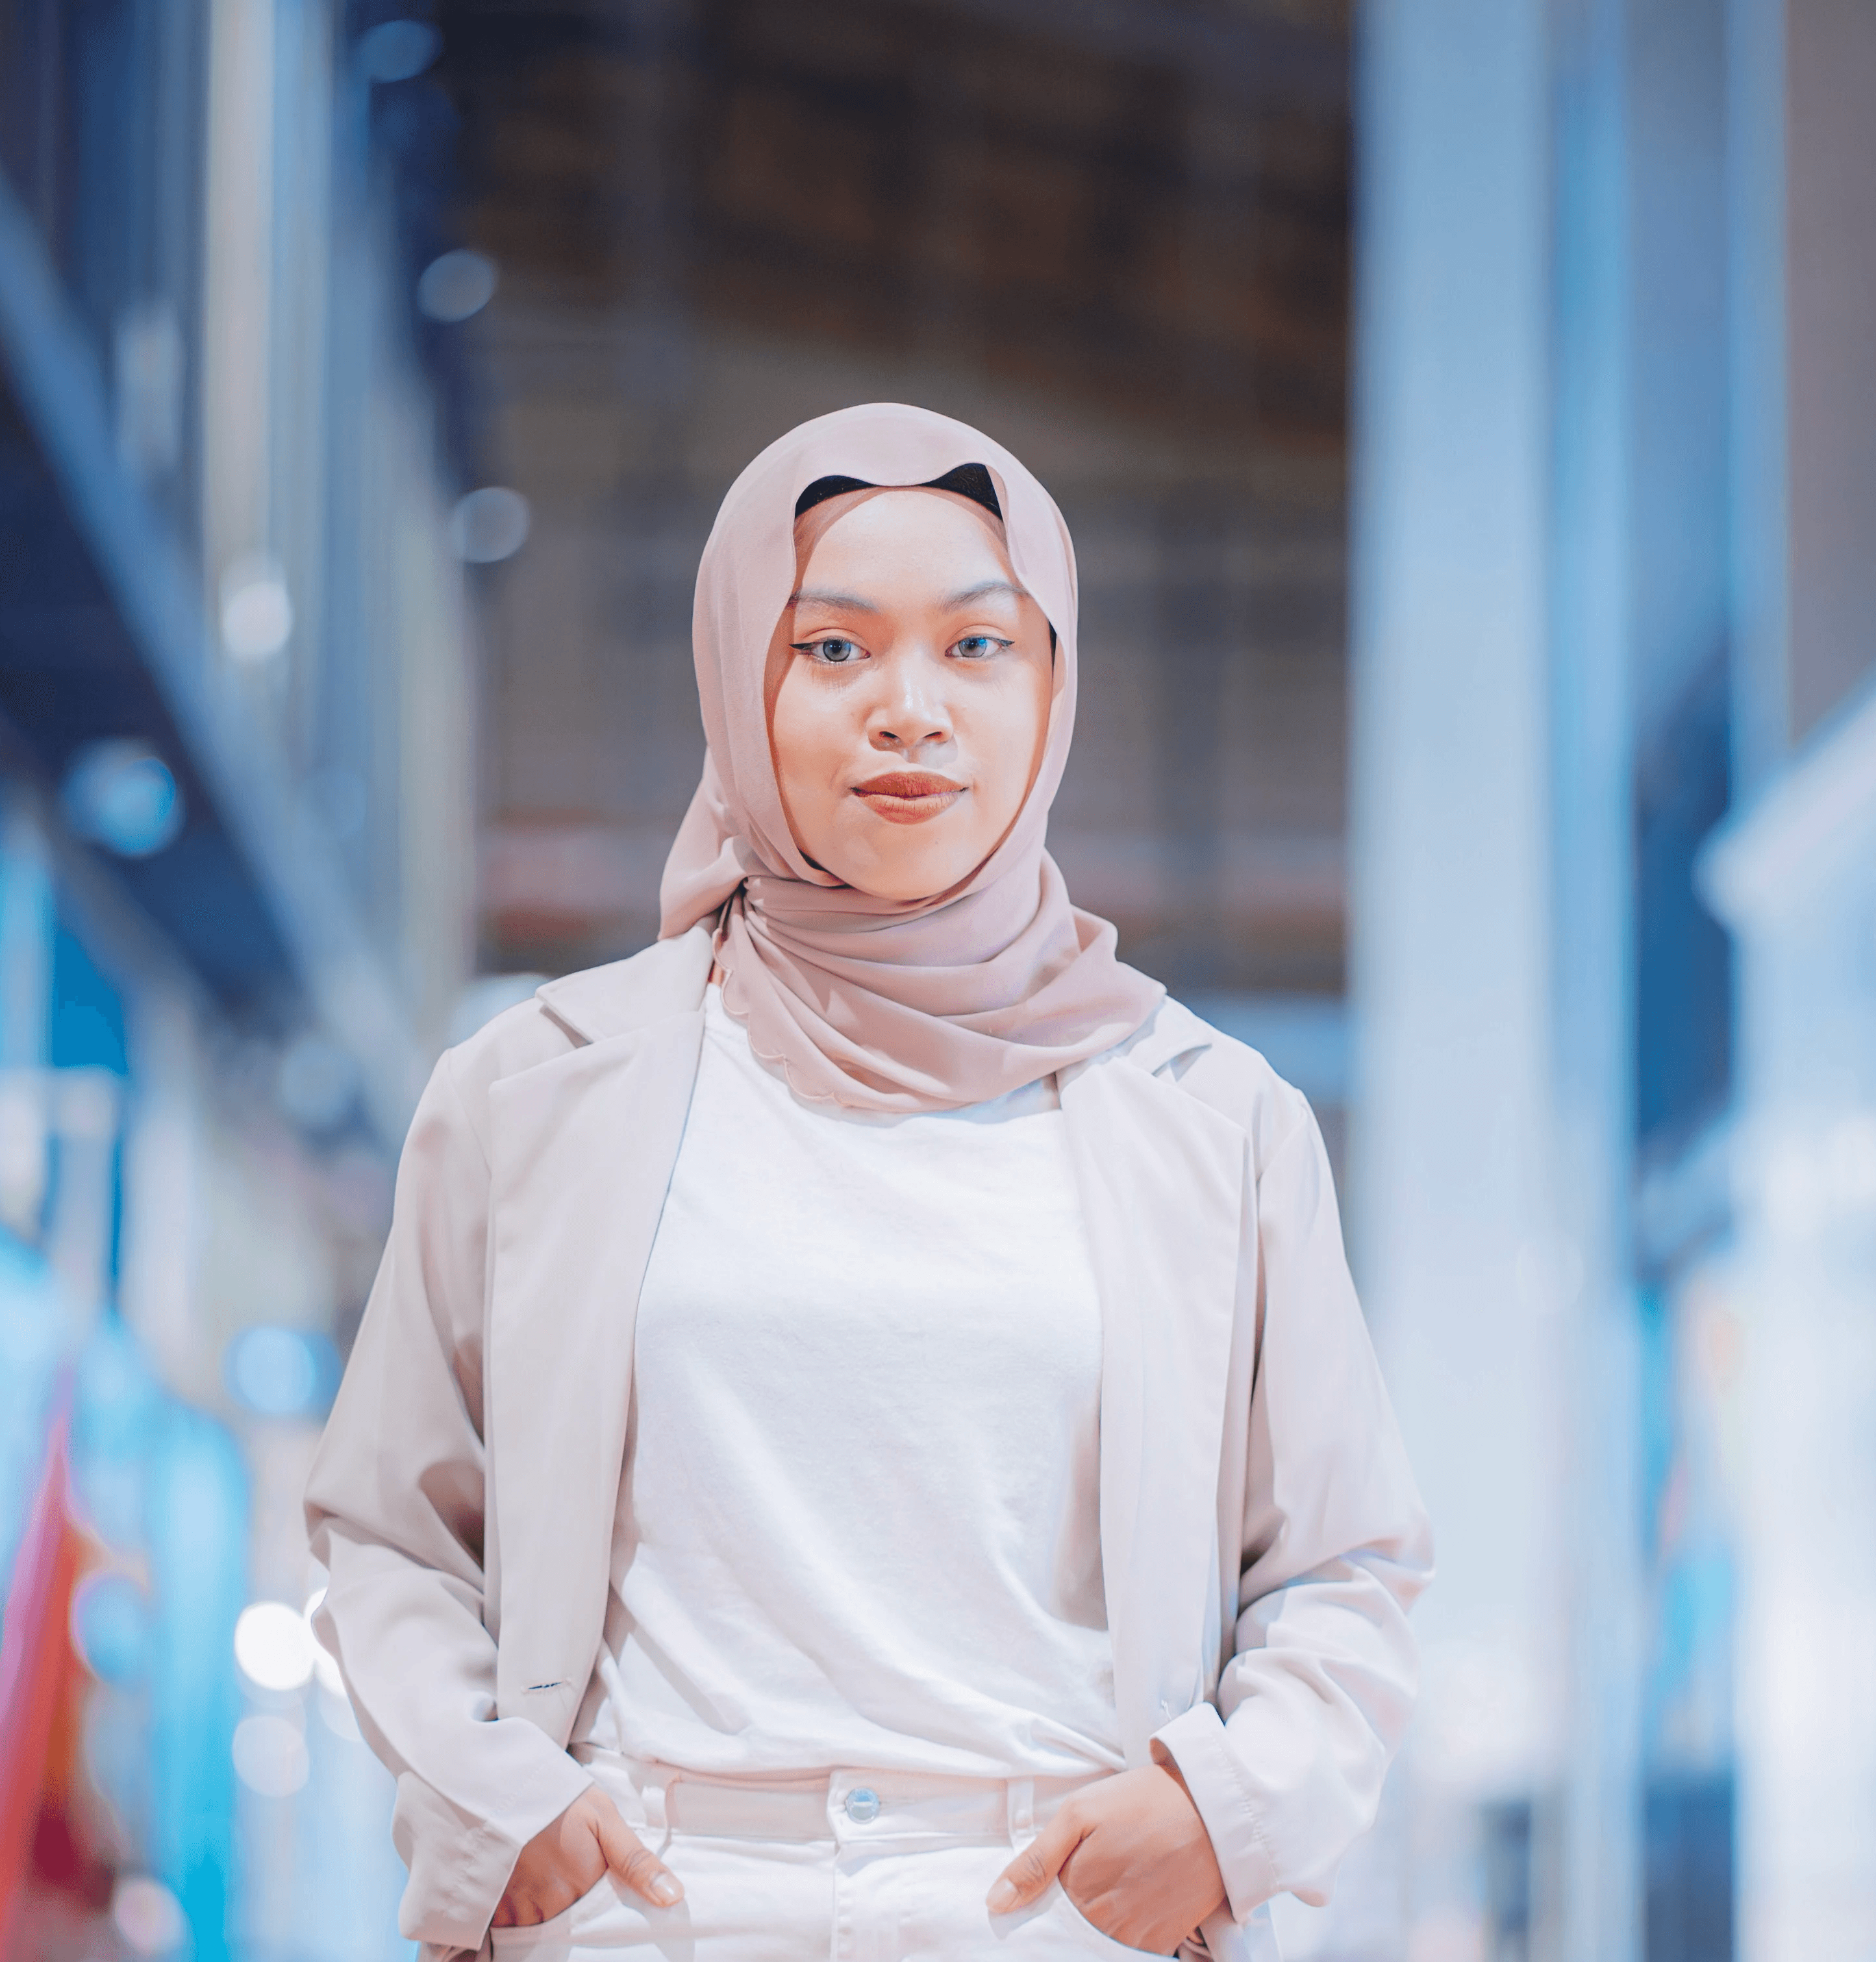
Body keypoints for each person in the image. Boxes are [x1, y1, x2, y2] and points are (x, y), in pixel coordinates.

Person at [305, 403, 1431, 1962]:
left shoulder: (1214, 1116)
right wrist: (495, 1800)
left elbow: (1344, 1560)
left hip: (1055, 1907)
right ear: (734, 676)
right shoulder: (534, 1086)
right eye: (832, 649)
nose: (908, 710)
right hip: (648, 1900)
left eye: (978, 648)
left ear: (1054, 689)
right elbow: (388, 1525)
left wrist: (1227, 1813)